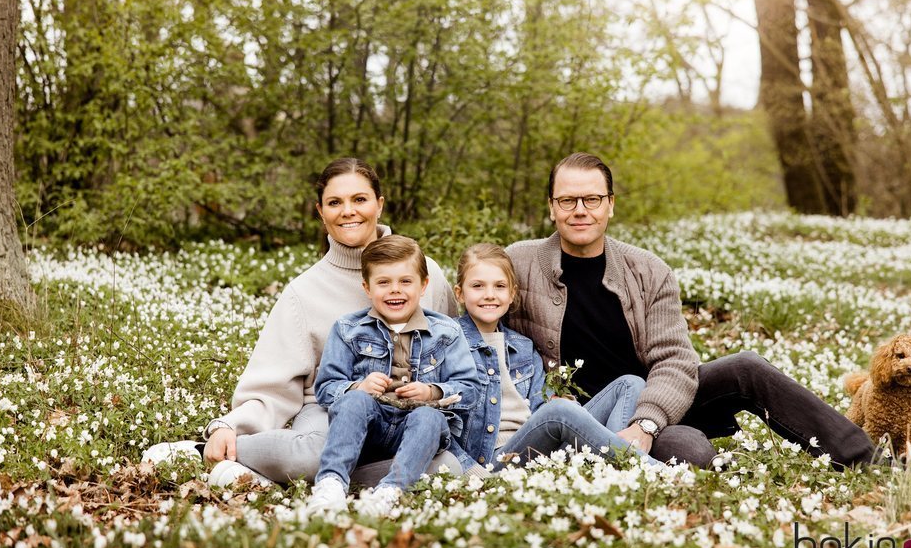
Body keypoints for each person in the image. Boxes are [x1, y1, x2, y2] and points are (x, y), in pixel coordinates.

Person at [505, 152, 877, 469]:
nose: (580, 211)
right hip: (582, 415)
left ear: (611, 204)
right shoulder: (517, 263)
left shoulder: (648, 270)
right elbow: (474, 326)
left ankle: (868, 460)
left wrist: (646, 423)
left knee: (746, 366)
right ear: (552, 208)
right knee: (693, 452)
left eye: (592, 199)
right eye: (568, 201)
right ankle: (636, 453)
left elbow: (674, 359)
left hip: (654, 403)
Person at [142, 158, 460, 486]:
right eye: (335, 202)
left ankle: (309, 479)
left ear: (379, 205)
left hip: (406, 414)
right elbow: (271, 386)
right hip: (328, 411)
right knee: (317, 455)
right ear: (321, 213)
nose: (348, 211)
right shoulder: (303, 292)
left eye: (360, 199)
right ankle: (206, 452)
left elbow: (456, 351)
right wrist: (228, 427)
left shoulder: (427, 274)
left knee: (448, 467)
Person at [448, 243, 660, 476]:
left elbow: (541, 406)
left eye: (499, 286)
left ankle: (613, 468)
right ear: (459, 293)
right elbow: (441, 426)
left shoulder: (522, 346)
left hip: (542, 451)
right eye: (477, 286)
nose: (489, 294)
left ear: (512, 294)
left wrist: (563, 406)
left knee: (631, 383)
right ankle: (651, 470)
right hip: (494, 461)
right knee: (559, 410)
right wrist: (471, 472)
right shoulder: (447, 343)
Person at [307, 235, 479, 516]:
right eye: (383, 282)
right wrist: (357, 387)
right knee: (354, 401)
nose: (394, 291)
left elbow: (469, 389)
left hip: (417, 433)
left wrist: (432, 392)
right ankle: (331, 484)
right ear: (367, 287)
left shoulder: (446, 331)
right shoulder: (348, 329)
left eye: (405, 281)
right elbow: (325, 387)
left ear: (424, 285)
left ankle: (390, 492)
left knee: (429, 416)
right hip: (368, 430)